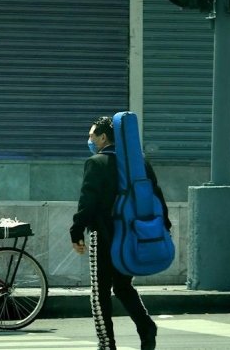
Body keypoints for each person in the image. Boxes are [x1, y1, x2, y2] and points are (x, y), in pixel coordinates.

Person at [70, 116, 170, 350]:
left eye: (92, 135)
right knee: (123, 287)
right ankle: (146, 327)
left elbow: (87, 202)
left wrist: (76, 231)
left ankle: (107, 344)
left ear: (103, 137)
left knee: (99, 293)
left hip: (103, 237)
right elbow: (156, 195)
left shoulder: (96, 162)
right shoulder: (139, 163)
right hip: (130, 238)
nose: (90, 139)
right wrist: (164, 226)